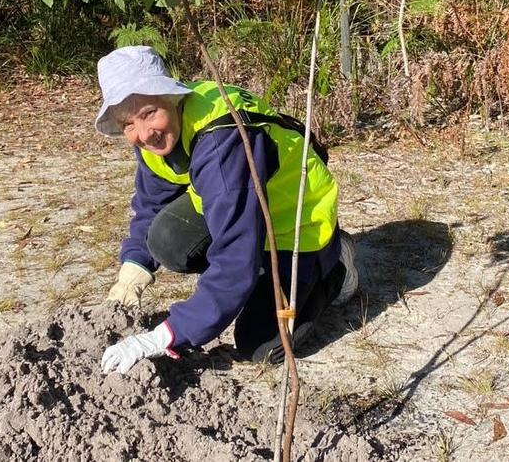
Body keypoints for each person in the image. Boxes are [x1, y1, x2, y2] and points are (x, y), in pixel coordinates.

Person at [96, 45, 358, 375]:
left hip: (296, 224)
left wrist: (166, 336)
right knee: (166, 240)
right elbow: (150, 207)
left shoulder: (223, 143)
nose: (144, 133)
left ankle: (334, 265)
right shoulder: (154, 138)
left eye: (150, 113)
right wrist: (130, 277)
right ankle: (249, 282)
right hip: (242, 207)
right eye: (128, 124)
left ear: (172, 97)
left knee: (260, 345)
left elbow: (236, 257)